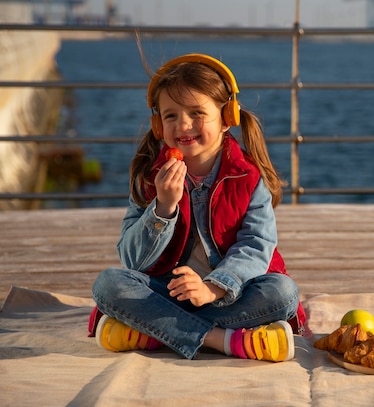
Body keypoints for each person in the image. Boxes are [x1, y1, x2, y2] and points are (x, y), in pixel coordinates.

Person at [88, 53, 306, 362]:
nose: (184, 124)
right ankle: (222, 340)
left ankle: (154, 331)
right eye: (171, 115)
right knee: (108, 285)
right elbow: (131, 259)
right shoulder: (151, 177)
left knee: (282, 293)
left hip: (230, 295)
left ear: (227, 117)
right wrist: (162, 208)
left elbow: (257, 245)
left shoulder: (248, 176)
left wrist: (214, 287)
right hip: (167, 292)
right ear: (157, 124)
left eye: (196, 112)